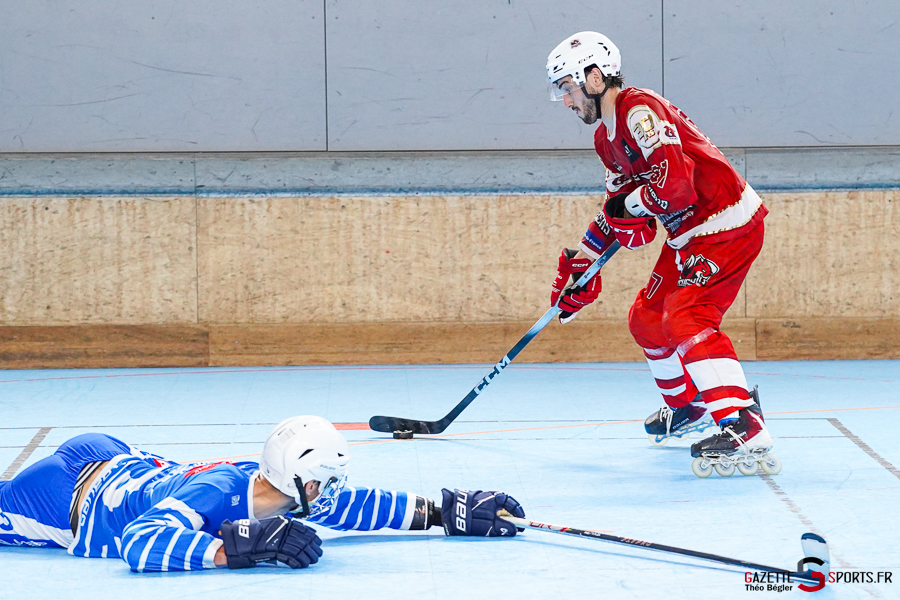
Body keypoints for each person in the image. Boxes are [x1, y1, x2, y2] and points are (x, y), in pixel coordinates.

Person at [545, 32, 781, 478]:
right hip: (688, 234)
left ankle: (743, 425)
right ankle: (689, 406)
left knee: (687, 316)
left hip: (726, 224)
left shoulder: (639, 110)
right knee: (647, 319)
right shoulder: (605, 140)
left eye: (569, 88)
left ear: (594, 78)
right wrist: (583, 265)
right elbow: (619, 212)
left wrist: (632, 206)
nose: (566, 100)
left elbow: (675, 188)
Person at [0, 416, 525, 571]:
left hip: (117, 455)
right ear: (299, 478)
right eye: (326, 481)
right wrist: (235, 549)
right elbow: (139, 540)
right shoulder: (217, 493)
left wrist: (441, 512)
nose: (333, 491)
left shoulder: (285, 489)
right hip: (62, 500)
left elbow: (352, 506)